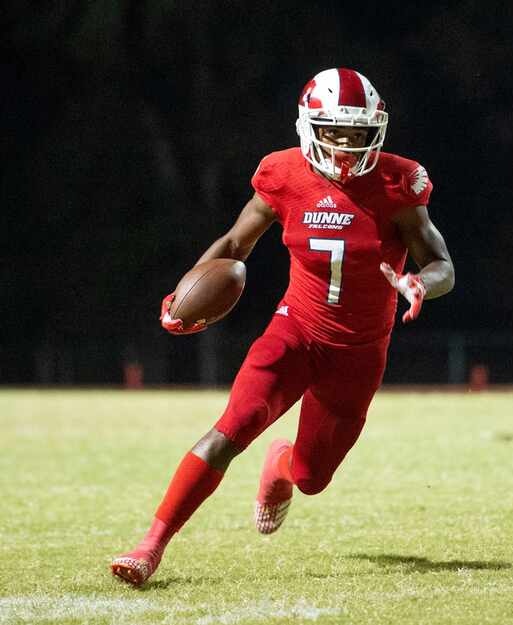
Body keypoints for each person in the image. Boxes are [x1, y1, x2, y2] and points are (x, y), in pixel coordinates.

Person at [111, 67, 454, 587]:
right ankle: (150, 546)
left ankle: (282, 466)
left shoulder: (397, 182)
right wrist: (182, 298)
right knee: (231, 428)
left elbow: (443, 264)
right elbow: (232, 246)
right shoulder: (282, 174)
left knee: (313, 479)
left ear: (376, 132)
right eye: (334, 131)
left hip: (360, 352)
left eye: (357, 134)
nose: (344, 146)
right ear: (309, 127)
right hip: (295, 331)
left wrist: (420, 284)